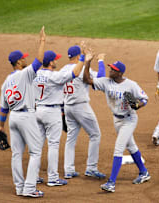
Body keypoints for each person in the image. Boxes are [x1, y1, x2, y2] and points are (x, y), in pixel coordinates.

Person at [82, 53, 150, 193]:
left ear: (119, 73)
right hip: (117, 120)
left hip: (129, 119)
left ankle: (111, 182)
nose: (110, 71)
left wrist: (138, 104)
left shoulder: (131, 85)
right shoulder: (106, 82)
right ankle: (144, 173)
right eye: (110, 68)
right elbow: (86, 79)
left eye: (113, 69)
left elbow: (145, 98)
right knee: (131, 146)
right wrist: (87, 62)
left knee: (119, 148)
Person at [0, 26, 46, 197]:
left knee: (16, 154)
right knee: (36, 152)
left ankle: (19, 187)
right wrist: (42, 41)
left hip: (13, 118)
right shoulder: (24, 74)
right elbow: (39, 61)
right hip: (26, 116)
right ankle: (30, 188)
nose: (26, 60)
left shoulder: (6, 81)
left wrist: (0, 126)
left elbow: (4, 108)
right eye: (23, 59)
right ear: (18, 63)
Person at [32, 43, 87, 186]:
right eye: (55, 59)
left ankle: (34, 175)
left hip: (38, 111)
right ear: (50, 62)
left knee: (37, 146)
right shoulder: (54, 76)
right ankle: (53, 178)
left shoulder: (35, 74)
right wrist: (83, 57)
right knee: (53, 145)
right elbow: (75, 73)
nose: (56, 61)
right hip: (52, 112)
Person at [61, 45, 106, 179]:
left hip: (68, 107)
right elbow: (101, 78)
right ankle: (91, 168)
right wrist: (100, 61)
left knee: (70, 138)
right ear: (77, 56)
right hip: (81, 107)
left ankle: (68, 170)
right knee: (95, 135)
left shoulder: (63, 70)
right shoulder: (81, 70)